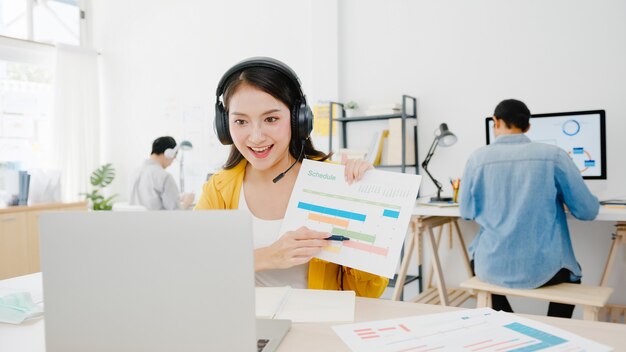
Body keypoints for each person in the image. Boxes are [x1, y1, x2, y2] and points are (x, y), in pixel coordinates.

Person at [195, 57, 388, 297]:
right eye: (240, 121)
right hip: (246, 327)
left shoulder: (334, 183)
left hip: (318, 325)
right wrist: (267, 256)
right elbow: (196, 270)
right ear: (225, 126)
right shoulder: (218, 190)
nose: (256, 137)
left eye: (271, 119)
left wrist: (367, 209)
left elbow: (369, 292)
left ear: (298, 120)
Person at [459, 99, 599, 318]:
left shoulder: (477, 159)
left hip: (491, 266)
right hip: (547, 271)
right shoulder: (555, 155)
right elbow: (587, 211)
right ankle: (556, 328)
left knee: (479, 265)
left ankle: (507, 322)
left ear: (496, 122)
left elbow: (466, 212)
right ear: (528, 126)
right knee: (573, 274)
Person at [129, 136, 194, 210]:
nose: (173, 160)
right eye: (174, 156)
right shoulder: (164, 176)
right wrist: (187, 202)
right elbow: (176, 212)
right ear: (168, 153)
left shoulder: (134, 173)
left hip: (137, 221)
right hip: (158, 221)